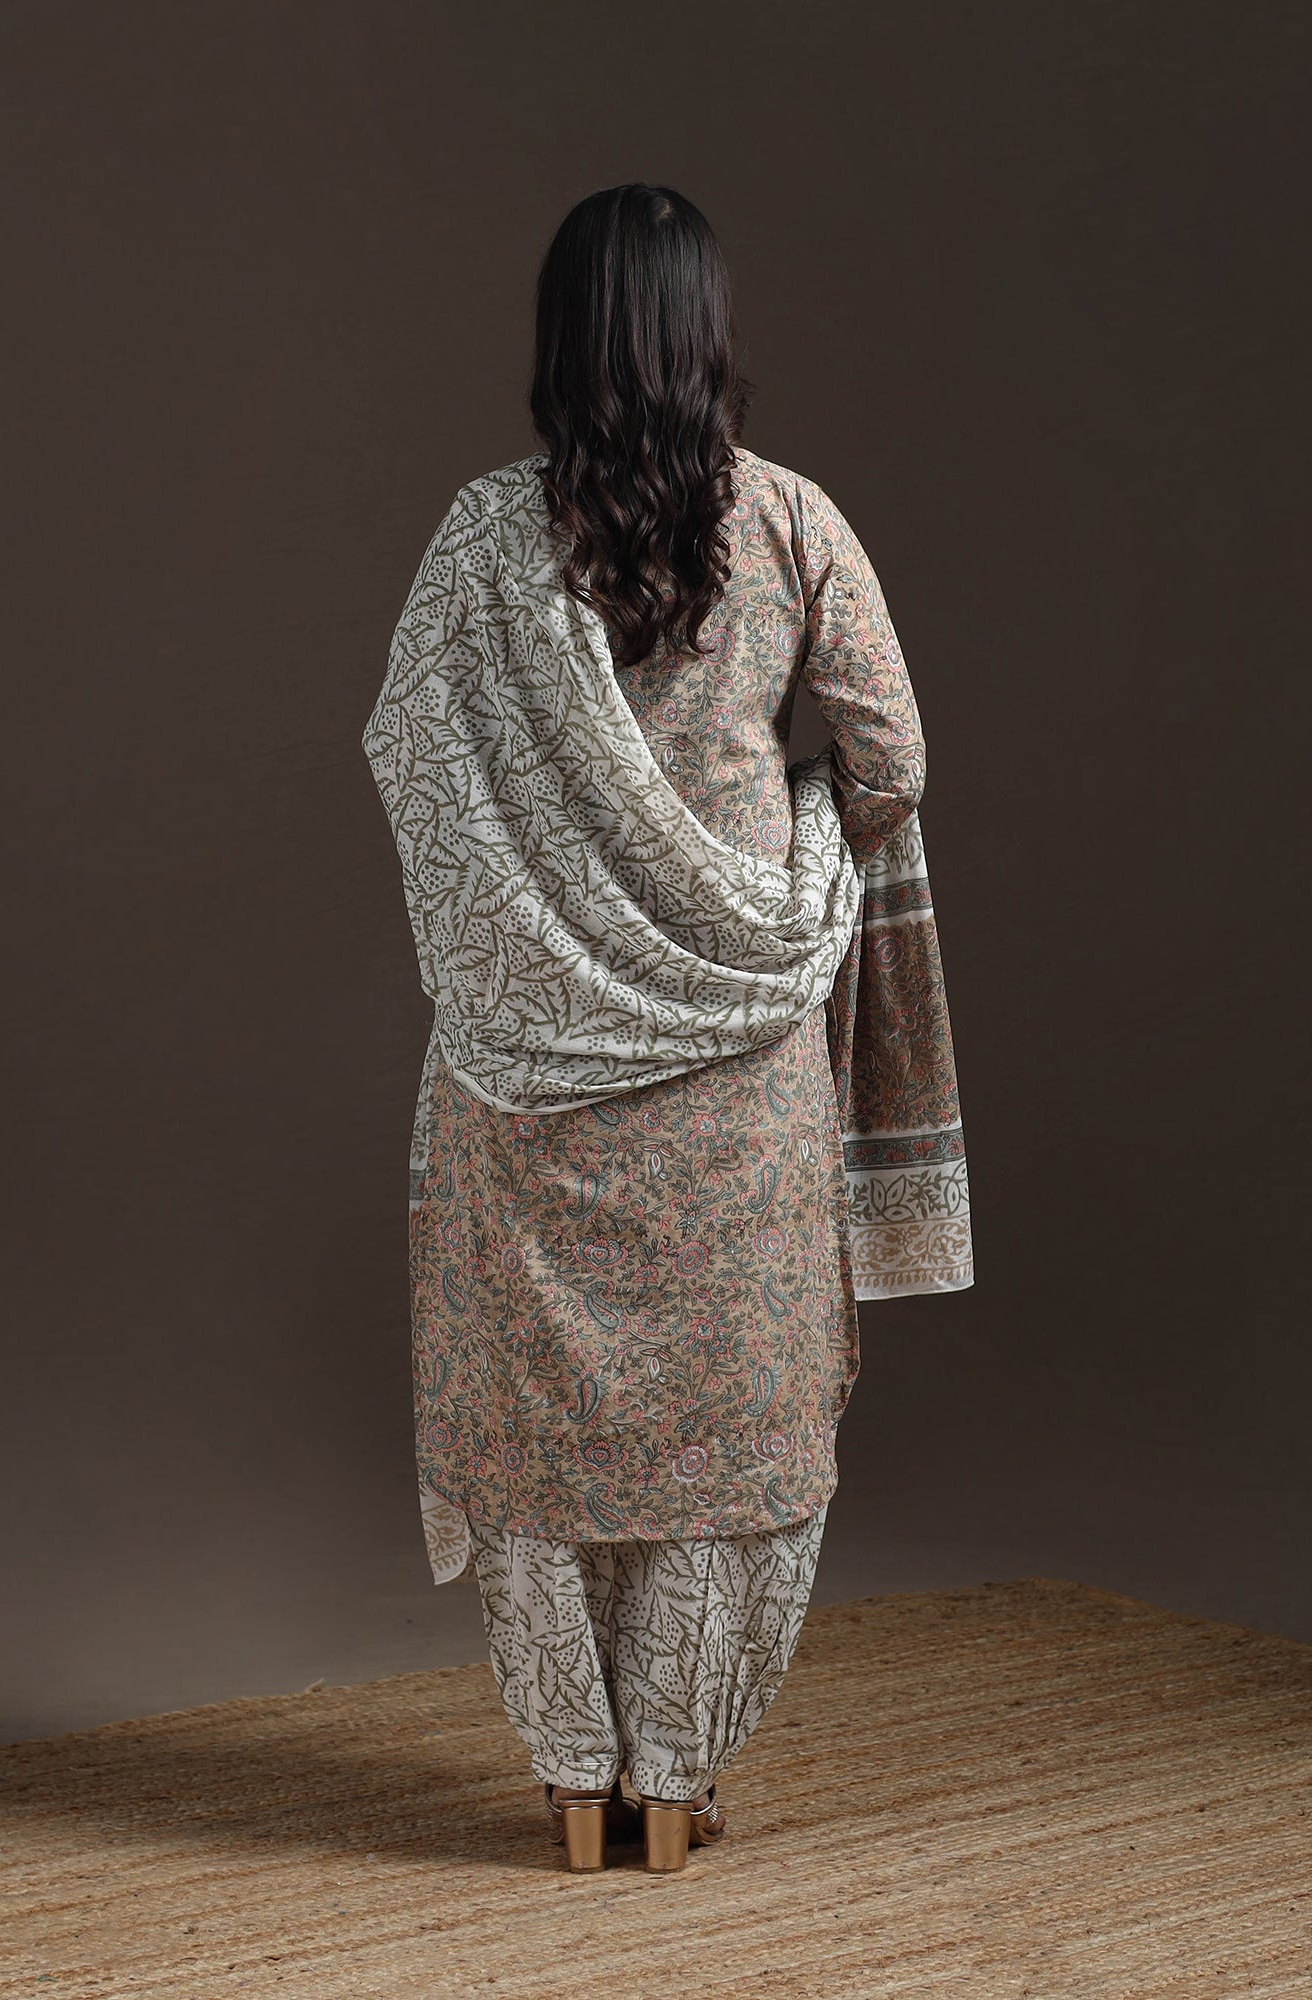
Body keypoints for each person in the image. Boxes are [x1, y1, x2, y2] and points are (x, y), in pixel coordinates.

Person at [362, 183, 972, 1875]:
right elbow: (895, 759)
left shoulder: (483, 540)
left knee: (538, 1431)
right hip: (744, 1067)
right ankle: (676, 1780)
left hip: (527, 1073)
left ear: (560, 337)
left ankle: (575, 1780)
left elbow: (411, 760)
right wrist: (779, 852)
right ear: (711, 335)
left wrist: (552, 918)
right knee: (732, 1433)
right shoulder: (790, 522)